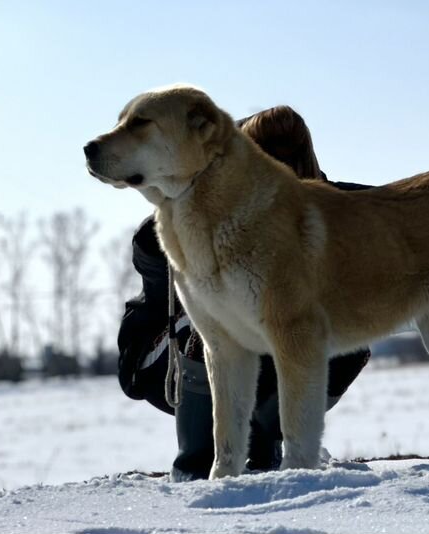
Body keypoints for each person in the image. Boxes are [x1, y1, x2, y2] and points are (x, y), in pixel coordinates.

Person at [117, 106, 373, 481]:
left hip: (265, 352)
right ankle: (193, 465)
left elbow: (402, 207)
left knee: (339, 331)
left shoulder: (332, 209)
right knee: (216, 317)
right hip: (161, 361)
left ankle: (263, 442)